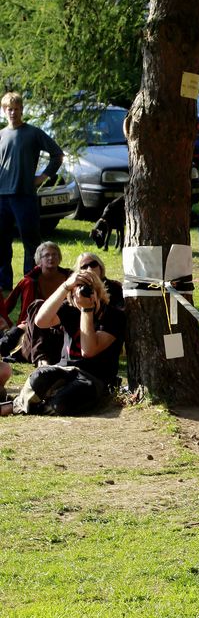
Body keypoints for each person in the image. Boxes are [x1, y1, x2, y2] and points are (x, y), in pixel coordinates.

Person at [13, 267, 125, 416]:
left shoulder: (113, 316)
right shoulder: (70, 309)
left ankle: (20, 406)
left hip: (95, 378)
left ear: (98, 292)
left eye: (88, 290)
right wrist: (65, 286)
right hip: (65, 370)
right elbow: (41, 321)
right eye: (76, 291)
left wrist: (87, 310)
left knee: (63, 402)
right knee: (40, 376)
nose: (81, 294)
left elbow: (89, 351)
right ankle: (27, 404)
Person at [0, 92, 64, 290]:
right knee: (2, 243)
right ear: (4, 111)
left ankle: (31, 282)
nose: (13, 112)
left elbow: (57, 154)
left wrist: (43, 177)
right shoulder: (1, 134)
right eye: (9, 109)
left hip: (24, 196)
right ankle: (4, 284)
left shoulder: (33, 133)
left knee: (31, 243)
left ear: (22, 110)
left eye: (16, 109)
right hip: (2, 197)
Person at [0, 241, 70, 362]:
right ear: (39, 260)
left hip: (61, 324)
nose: (51, 258)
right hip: (30, 324)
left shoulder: (70, 279)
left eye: (55, 254)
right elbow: (8, 304)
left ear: (59, 258)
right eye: (46, 255)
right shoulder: (28, 281)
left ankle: (24, 353)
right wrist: (5, 322)